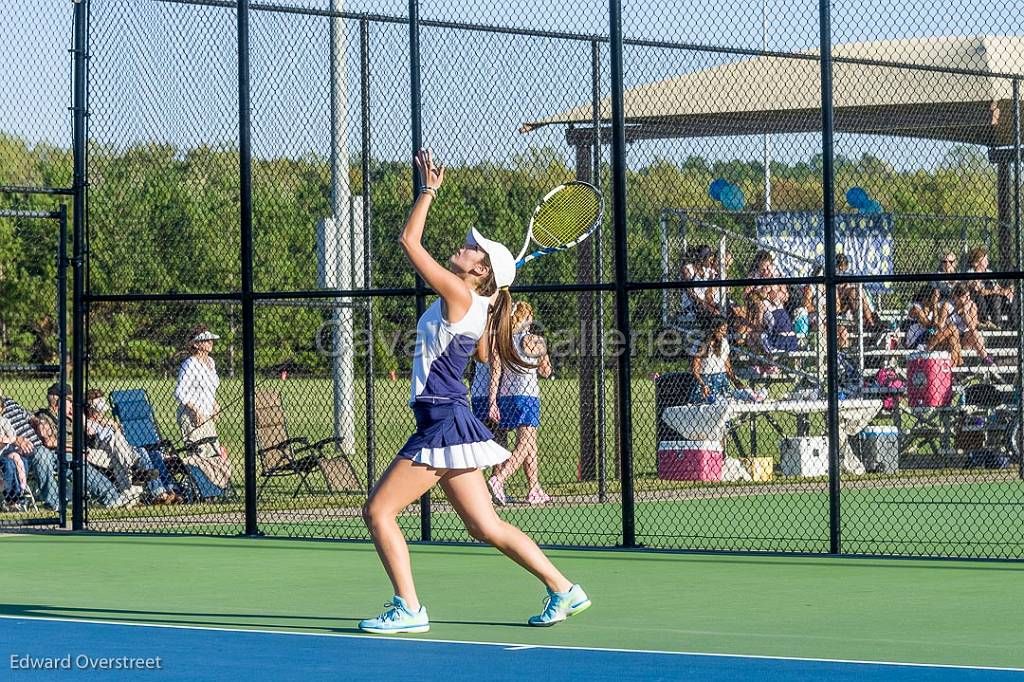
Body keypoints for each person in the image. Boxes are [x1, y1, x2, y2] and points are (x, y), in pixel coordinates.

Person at [358, 149, 590, 635]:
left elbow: (408, 239)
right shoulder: (479, 304)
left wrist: (428, 191)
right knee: (484, 527)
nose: (463, 248)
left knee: (378, 510)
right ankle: (564, 588)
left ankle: (409, 608)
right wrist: (492, 299)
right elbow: (482, 356)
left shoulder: (463, 296)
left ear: (480, 271)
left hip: (443, 422)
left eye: (471, 249)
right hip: (451, 420)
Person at [486, 301, 553, 506]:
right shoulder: (533, 340)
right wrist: (543, 353)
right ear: (526, 318)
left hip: (506, 397)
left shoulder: (503, 341)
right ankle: (499, 478)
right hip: (527, 396)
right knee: (524, 443)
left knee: (530, 443)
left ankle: (534, 488)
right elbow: (546, 371)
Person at [31, 385, 133, 508]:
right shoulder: (44, 417)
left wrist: (78, 418)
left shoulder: (70, 416)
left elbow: (90, 429)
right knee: (74, 460)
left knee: (84, 458)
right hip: (56, 454)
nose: (72, 404)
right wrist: (76, 449)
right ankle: (111, 495)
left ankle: (114, 493)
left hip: (79, 450)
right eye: (69, 401)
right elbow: (50, 443)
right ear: (59, 403)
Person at [85, 389, 180, 504]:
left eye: (100, 411)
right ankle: (140, 472)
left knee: (143, 451)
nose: (100, 414)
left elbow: (124, 438)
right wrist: (108, 428)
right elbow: (95, 438)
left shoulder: (107, 421)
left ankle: (160, 493)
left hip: (122, 451)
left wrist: (115, 426)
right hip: (105, 451)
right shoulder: (87, 422)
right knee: (118, 440)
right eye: (96, 411)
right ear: (90, 409)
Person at [174, 325, 231, 492]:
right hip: (192, 416)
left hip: (208, 415)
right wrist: (195, 410)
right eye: (205, 340)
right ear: (196, 344)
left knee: (213, 451)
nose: (210, 342)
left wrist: (214, 404)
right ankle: (200, 490)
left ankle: (214, 489)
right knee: (199, 453)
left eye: (210, 339)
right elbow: (180, 392)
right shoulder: (190, 364)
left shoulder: (211, 362)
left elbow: (210, 388)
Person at [904, 284, 962, 366]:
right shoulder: (916, 308)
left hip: (929, 337)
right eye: (935, 298)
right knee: (952, 328)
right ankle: (959, 364)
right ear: (926, 299)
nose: (937, 301)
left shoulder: (932, 311)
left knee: (953, 339)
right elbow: (929, 326)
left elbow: (936, 328)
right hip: (917, 341)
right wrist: (935, 306)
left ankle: (953, 372)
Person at [690, 317, 743, 404]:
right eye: (722, 330)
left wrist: (735, 381)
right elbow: (695, 370)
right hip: (705, 379)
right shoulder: (700, 343)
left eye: (725, 330)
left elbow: (727, 366)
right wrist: (703, 384)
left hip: (721, 378)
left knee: (725, 405)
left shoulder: (724, 342)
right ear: (714, 329)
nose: (724, 333)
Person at [965, 246, 1016, 330]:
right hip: (980, 302)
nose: (987, 262)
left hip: (992, 301)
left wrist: (1007, 291)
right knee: (990, 296)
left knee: (1004, 296)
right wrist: (997, 292)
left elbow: (997, 288)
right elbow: (981, 292)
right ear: (976, 263)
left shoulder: (989, 272)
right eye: (985, 260)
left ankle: (1007, 324)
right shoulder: (971, 273)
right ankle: (986, 323)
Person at [948, 284, 994, 366]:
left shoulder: (971, 305)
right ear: (956, 297)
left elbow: (972, 327)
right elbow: (937, 327)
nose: (968, 299)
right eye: (965, 297)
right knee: (953, 337)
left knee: (974, 333)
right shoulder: (948, 306)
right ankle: (959, 370)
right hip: (951, 337)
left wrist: (965, 311)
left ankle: (986, 358)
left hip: (965, 338)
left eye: (969, 296)